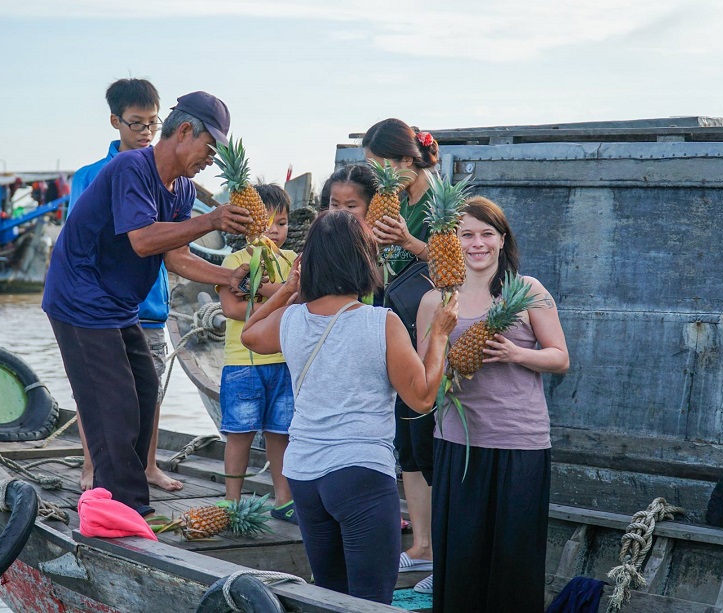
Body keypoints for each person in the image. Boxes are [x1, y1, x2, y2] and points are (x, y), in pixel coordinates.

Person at [42, 91, 252, 516]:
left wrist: (227, 277)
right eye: (210, 148)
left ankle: (121, 499)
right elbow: (142, 241)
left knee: (143, 392)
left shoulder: (180, 189)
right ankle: (125, 510)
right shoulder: (131, 168)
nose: (211, 160)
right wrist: (211, 219)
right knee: (112, 404)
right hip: (80, 299)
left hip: (118, 305)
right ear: (185, 132)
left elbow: (175, 254)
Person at [240, 210, 459, 604]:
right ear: (363, 259)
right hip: (359, 472)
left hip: (304, 474)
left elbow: (249, 333)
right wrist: (440, 335)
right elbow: (423, 397)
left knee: (329, 597)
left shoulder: (291, 319)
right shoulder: (381, 323)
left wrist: (289, 289)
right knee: (371, 602)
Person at [414, 196, 569, 612]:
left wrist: (516, 354)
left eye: (486, 234)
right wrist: (448, 360)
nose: (476, 243)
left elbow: (560, 357)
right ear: (453, 241)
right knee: (461, 556)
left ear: (502, 240)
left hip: (520, 442)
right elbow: (424, 376)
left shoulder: (528, 290)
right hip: (458, 442)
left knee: (514, 559)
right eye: (467, 234)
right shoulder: (435, 302)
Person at [66, 78, 182, 493]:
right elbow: (79, 242)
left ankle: (148, 466)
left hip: (149, 305)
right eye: (136, 123)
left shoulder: (168, 175)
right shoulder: (91, 176)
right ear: (115, 121)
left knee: (148, 392)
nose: (145, 131)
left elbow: (172, 243)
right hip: (100, 308)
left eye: (153, 122)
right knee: (97, 393)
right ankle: (91, 467)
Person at [362, 118, 441, 580]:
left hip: (430, 328)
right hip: (394, 323)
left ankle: (444, 546)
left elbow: (464, 256)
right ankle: (424, 543)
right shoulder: (389, 199)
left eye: (384, 167)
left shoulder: (441, 202)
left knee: (430, 440)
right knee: (406, 443)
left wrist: (409, 242)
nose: (378, 177)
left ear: (408, 160)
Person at [218, 183, 297, 522]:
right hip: (242, 363)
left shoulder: (294, 261)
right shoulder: (233, 262)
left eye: (281, 223)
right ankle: (232, 501)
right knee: (240, 434)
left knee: (282, 433)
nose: (275, 231)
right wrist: (279, 298)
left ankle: (284, 500)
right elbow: (232, 309)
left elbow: (299, 295)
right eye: (267, 223)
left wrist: (261, 291)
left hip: (284, 361)